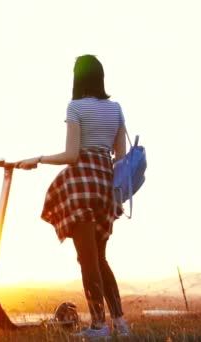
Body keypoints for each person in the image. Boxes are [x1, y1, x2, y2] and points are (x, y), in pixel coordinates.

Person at [16, 54, 131, 339]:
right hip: (105, 186)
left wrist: (38, 158)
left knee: (88, 260)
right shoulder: (116, 109)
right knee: (100, 259)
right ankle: (121, 324)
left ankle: (99, 327)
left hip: (81, 186)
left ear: (77, 78)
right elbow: (121, 158)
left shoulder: (75, 106)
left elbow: (72, 155)